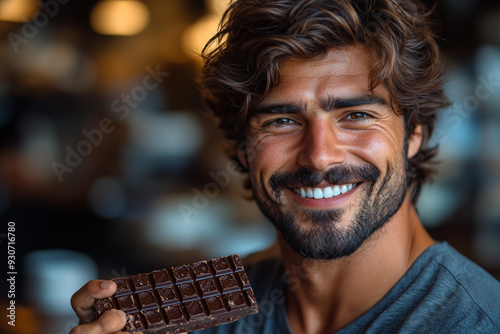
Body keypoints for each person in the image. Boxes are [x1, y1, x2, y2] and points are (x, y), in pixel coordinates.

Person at [70, 0, 500, 333]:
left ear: (415, 134)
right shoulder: (200, 307)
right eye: (282, 121)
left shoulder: (473, 322)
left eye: (356, 116)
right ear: (241, 149)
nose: (319, 155)